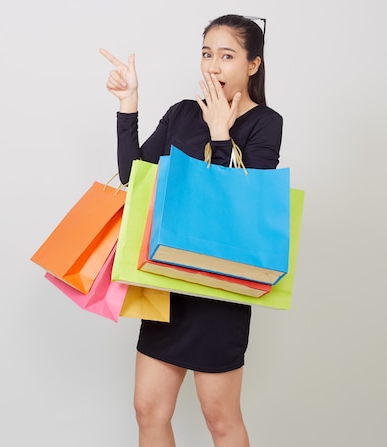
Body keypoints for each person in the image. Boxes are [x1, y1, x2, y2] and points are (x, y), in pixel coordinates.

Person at [100, 14, 282, 447]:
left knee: (219, 419)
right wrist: (129, 104)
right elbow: (134, 177)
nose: (213, 67)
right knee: (149, 410)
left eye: (227, 56)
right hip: (166, 281)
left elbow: (237, 211)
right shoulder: (182, 113)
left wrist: (221, 134)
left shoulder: (265, 123)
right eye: (206, 54)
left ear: (252, 64)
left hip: (220, 290)